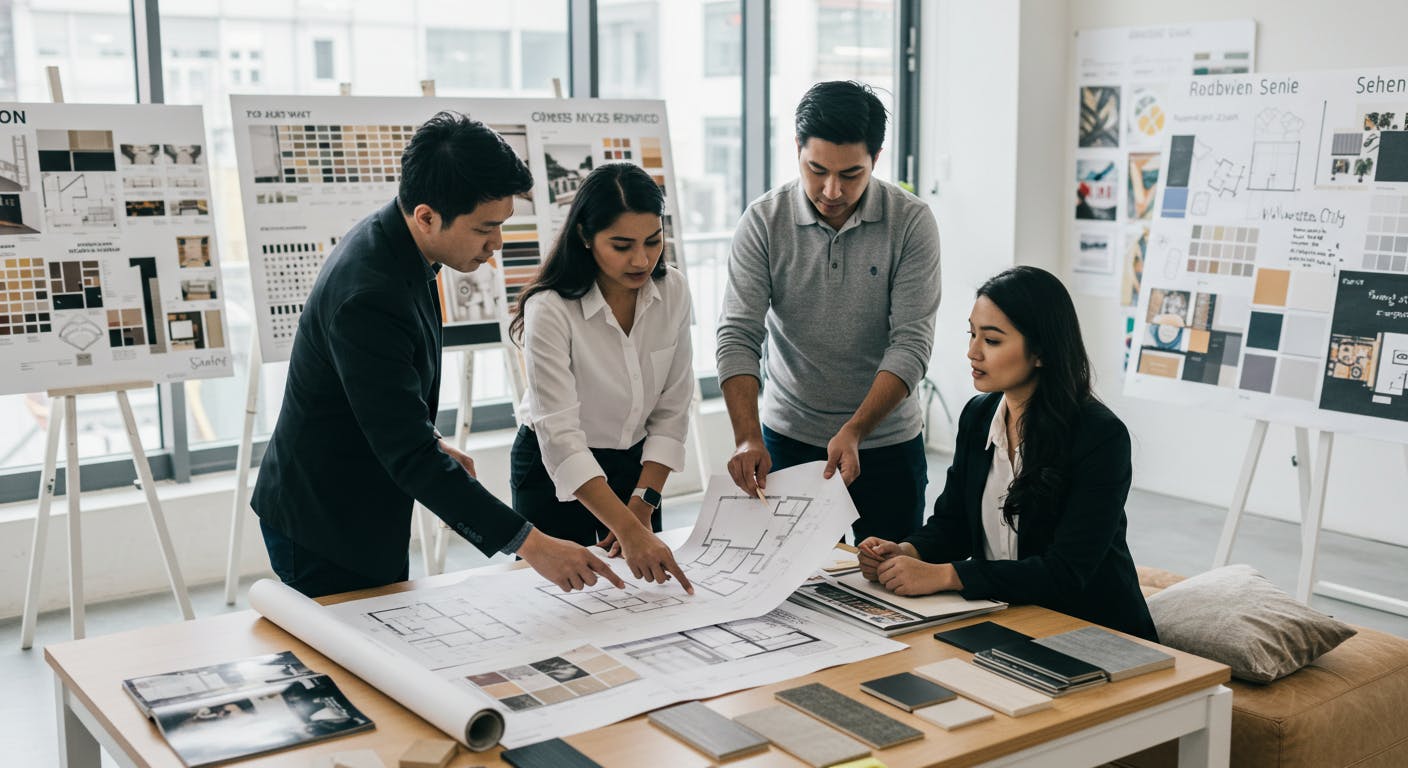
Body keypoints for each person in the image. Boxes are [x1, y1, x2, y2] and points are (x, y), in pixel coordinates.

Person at [252, 111, 623, 599]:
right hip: (324, 519)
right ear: (426, 216)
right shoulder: (368, 292)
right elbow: (410, 458)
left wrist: (425, 436)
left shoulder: (399, 244)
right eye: (485, 228)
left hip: (363, 494)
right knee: (350, 656)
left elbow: (377, 392)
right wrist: (533, 545)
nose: (496, 245)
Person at [858, 266, 1157, 641]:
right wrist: (907, 551)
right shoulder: (978, 415)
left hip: (1091, 630)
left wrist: (947, 575)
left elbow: (1066, 572)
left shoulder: (1100, 436)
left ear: (1041, 352)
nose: (972, 352)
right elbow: (954, 524)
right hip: (1006, 617)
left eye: (992, 341)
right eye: (972, 334)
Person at [716, 80, 941, 543]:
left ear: (876, 160)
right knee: (796, 590)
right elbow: (739, 334)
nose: (831, 190)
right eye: (816, 169)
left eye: (851, 174)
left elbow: (911, 344)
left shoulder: (911, 222)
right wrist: (746, 437)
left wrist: (856, 429)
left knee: (891, 584)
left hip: (887, 444)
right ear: (797, 148)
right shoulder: (763, 221)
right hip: (789, 439)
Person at [509, 163, 693, 594]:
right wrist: (628, 530)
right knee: (558, 604)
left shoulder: (674, 291)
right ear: (586, 238)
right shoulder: (550, 308)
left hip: (637, 470)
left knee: (644, 598)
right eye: (622, 245)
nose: (642, 259)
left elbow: (673, 409)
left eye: (653, 241)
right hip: (553, 469)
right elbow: (561, 438)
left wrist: (642, 506)